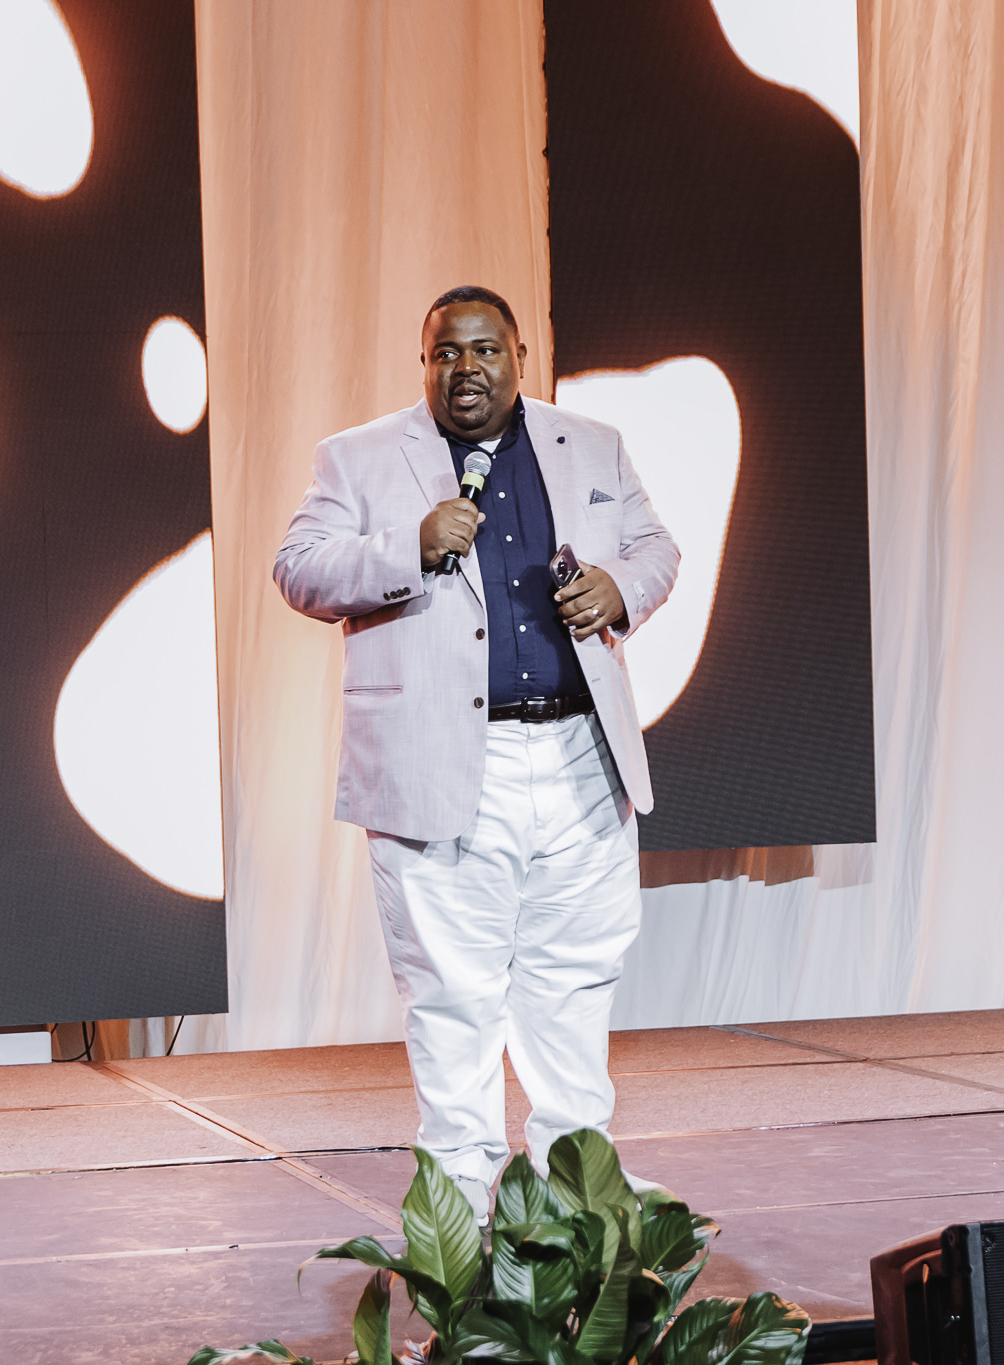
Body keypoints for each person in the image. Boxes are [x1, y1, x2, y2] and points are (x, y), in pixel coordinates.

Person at [273, 286, 680, 1218]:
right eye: (446, 353)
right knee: (452, 991)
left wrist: (620, 589)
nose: (466, 369)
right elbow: (299, 569)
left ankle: (575, 1182)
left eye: (485, 350)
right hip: (440, 761)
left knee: (573, 980)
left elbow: (656, 547)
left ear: (519, 357)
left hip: (579, 753)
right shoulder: (359, 456)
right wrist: (406, 547)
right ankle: (457, 1194)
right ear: (424, 364)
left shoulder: (592, 444)